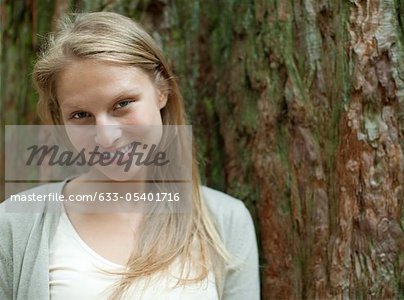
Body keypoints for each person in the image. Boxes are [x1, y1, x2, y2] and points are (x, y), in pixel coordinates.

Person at [0, 12, 260, 300]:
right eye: (81, 115)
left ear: (162, 91)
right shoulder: (16, 222)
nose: (106, 136)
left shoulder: (225, 220)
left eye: (122, 104)